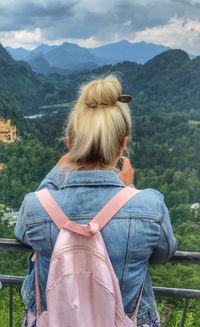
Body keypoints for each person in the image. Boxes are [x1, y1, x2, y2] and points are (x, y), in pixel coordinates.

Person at [15, 75, 177, 327]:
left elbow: (22, 232)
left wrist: (55, 174)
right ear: (122, 144)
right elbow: (163, 253)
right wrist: (128, 190)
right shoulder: (151, 207)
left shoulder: (36, 206)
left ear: (70, 142)